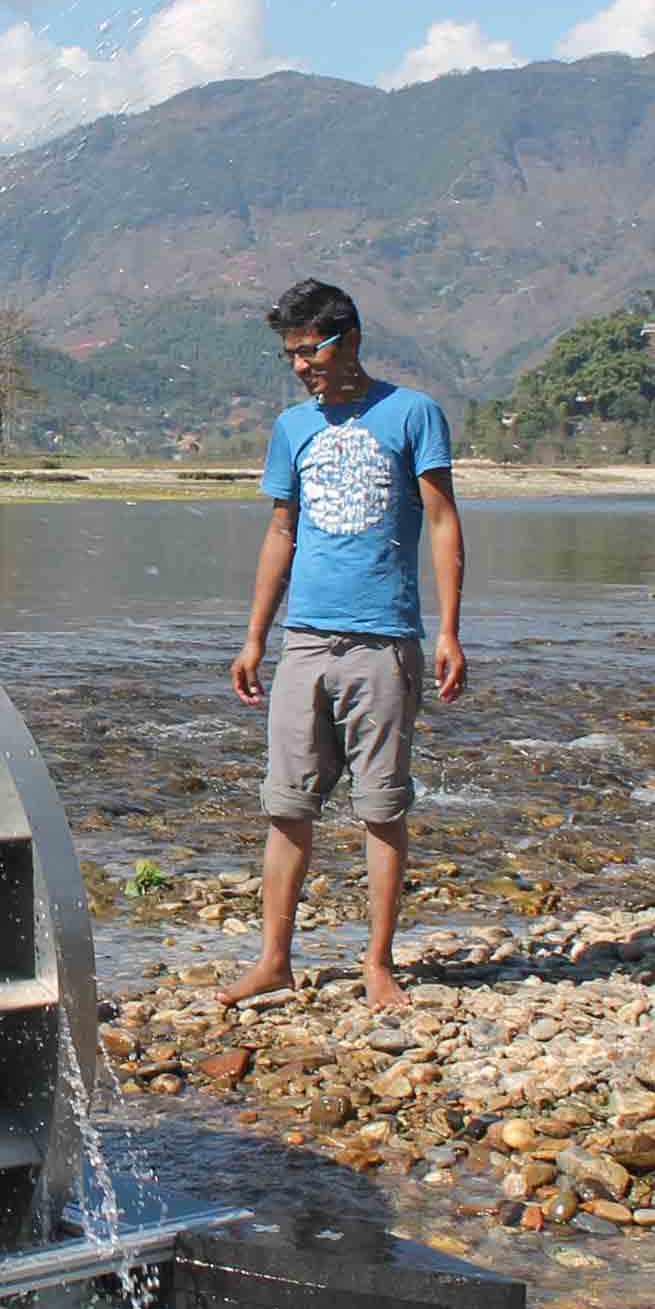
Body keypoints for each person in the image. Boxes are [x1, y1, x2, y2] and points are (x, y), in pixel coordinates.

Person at [225, 280, 465, 1013]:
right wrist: (254, 637)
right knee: (287, 805)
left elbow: (445, 520)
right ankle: (274, 961)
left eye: (310, 351)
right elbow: (280, 533)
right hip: (305, 643)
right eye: (290, 356)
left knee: (381, 808)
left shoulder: (412, 414)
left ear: (348, 338)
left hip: (384, 641)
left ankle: (379, 966)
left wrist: (450, 628)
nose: (301, 367)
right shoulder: (292, 428)